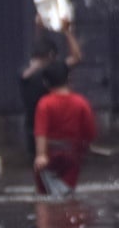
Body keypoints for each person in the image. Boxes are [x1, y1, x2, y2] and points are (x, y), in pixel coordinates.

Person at [19, 15, 82, 160]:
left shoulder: (51, 69)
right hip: (36, 128)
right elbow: (25, 74)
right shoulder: (29, 74)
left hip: (54, 130)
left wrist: (66, 31)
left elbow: (76, 58)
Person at [32, 60, 97, 194]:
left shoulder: (44, 104)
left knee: (46, 197)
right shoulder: (81, 103)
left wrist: (41, 155)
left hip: (50, 157)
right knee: (67, 194)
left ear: (45, 82)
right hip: (72, 157)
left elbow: (41, 133)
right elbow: (90, 132)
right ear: (68, 78)